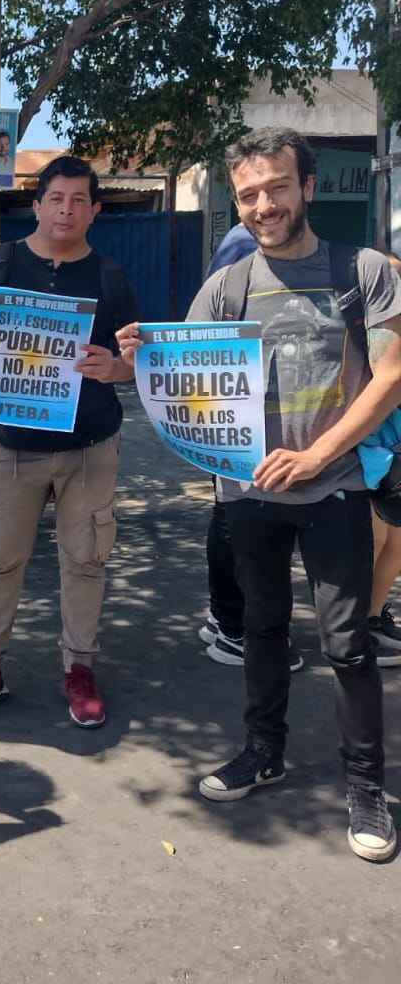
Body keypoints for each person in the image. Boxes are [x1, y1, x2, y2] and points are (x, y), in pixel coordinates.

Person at [120, 127, 401, 862]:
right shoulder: (227, 286)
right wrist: (136, 361)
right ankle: (263, 751)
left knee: (347, 646)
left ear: (307, 186)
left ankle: (366, 788)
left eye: (277, 187)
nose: (263, 205)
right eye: (248, 195)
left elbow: (392, 377)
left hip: (334, 487)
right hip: (248, 495)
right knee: (263, 630)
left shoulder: (363, 271)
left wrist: (316, 457)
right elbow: (185, 376)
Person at [0, 155, 138, 727]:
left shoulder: (110, 276)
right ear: (37, 205)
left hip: (90, 445)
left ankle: (79, 669)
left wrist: (115, 369)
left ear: (94, 211)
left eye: (79, 200)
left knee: (86, 561)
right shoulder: (1, 264)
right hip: (15, 444)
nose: (66, 210)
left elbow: (134, 362)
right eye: (56, 198)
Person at [197, 223, 304, 673]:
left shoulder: (261, 242)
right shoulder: (245, 246)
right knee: (234, 516)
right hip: (241, 414)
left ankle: (226, 617)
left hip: (258, 413)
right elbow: (213, 333)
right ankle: (233, 628)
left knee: (231, 515)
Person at [368, 252, 401, 669]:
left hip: (394, 451)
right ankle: (353, 629)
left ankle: (373, 617)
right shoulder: (365, 330)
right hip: (369, 453)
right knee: (373, 543)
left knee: (396, 544)